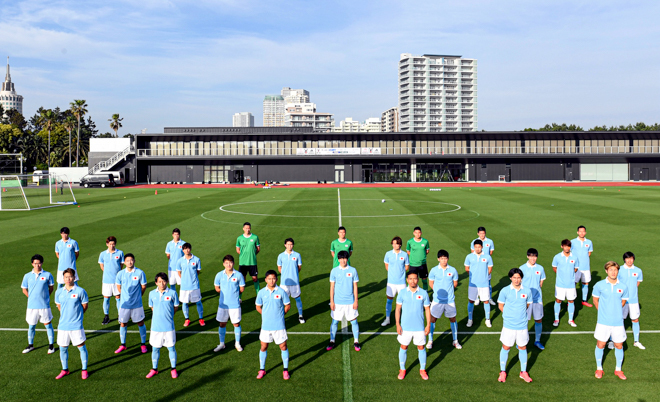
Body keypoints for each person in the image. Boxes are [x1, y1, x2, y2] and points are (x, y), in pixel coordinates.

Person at [593, 261, 629, 380]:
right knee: (601, 344)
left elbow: (623, 302)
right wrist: (603, 312)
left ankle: (618, 369)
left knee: (619, 345)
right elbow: (595, 300)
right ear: (606, 271)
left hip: (618, 322)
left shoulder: (623, 287)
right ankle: (599, 368)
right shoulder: (599, 285)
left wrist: (615, 311)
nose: (613, 272)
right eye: (611, 270)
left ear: (618, 271)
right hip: (603, 322)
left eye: (615, 270)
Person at [497, 268, 533, 383]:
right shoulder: (504, 291)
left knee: (522, 347)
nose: (516, 280)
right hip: (508, 326)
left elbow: (527, 305)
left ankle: (523, 372)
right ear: (510, 278)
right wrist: (509, 316)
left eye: (518, 277)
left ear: (521, 278)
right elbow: (500, 306)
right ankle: (502, 371)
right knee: (506, 347)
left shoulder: (527, 291)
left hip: (522, 326)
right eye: (514, 277)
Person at [255, 270, 291, 380]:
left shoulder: (281, 292)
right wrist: (265, 315)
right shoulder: (261, 292)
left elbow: (287, 305)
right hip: (266, 326)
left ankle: (285, 370)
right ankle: (262, 369)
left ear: (277, 279)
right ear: (265, 279)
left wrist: (281, 315)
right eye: (269, 278)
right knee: (263, 346)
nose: (272, 280)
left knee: (283, 346)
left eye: (274, 278)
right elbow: (258, 306)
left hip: (279, 326)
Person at [395, 271, 431, 380]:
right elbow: (398, 309)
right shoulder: (402, 293)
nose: (412, 281)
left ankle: (422, 369)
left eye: (414, 278)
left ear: (418, 279)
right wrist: (397, 324)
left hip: (419, 327)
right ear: (407, 280)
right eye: (410, 279)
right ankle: (402, 369)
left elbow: (427, 310)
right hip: (405, 327)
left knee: (421, 347)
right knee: (403, 346)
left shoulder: (424, 293)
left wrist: (428, 325)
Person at [54, 268, 89, 380]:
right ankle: (65, 369)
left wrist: (77, 316)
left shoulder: (80, 291)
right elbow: (59, 306)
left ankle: (84, 370)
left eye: (70, 277)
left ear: (74, 277)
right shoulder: (59, 292)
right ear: (63, 278)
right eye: (66, 277)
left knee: (81, 348)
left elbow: (85, 306)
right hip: (63, 326)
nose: (68, 279)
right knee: (63, 348)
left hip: (76, 325)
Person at [146, 272, 179, 379]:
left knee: (171, 348)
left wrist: (168, 316)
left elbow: (175, 307)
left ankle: (173, 369)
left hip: (169, 327)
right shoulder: (151, 294)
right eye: (159, 281)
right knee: (155, 349)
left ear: (167, 282)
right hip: (156, 328)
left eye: (164, 281)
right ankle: (154, 369)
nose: (162, 283)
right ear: (156, 283)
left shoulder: (173, 293)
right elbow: (152, 308)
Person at [21, 254, 56, 354]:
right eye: (35, 263)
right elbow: (24, 289)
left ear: (42, 263)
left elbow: (51, 288)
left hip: (44, 306)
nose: (37, 265)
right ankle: (30, 345)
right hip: (31, 306)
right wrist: (31, 297)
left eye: (39, 263)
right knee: (31, 326)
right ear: (32, 264)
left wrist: (45, 298)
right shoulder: (27, 276)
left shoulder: (48, 275)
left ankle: (51, 346)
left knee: (48, 325)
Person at [327, 250, 361, 352]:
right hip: (337, 302)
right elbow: (332, 287)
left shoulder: (353, 270)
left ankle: (356, 341)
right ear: (338, 259)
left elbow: (355, 286)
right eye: (341, 258)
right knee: (334, 322)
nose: (343, 260)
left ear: (347, 259)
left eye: (345, 258)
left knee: (354, 322)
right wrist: (332, 301)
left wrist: (356, 301)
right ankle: (332, 341)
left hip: (350, 302)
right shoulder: (334, 271)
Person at [427, 249, 461, 349]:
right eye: (442, 259)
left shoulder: (453, 270)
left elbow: (455, 283)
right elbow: (431, 283)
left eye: (445, 258)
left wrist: (449, 292)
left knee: (453, 319)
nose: (444, 260)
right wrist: (438, 292)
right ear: (438, 259)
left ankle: (455, 340)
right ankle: (430, 340)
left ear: (448, 259)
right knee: (433, 319)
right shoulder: (434, 270)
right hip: (437, 301)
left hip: (449, 300)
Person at [114, 253, 148, 354]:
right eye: (128, 260)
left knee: (140, 323)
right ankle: (123, 345)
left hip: (137, 304)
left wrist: (138, 296)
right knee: (123, 324)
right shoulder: (120, 274)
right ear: (124, 262)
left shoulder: (140, 273)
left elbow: (143, 286)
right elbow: (119, 287)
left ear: (134, 261)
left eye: (131, 260)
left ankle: (143, 344)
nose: (130, 262)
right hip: (124, 304)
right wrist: (125, 296)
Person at [214, 255, 246, 352]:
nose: (229, 264)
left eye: (230, 262)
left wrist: (233, 295)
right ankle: (221, 344)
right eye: (227, 263)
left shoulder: (238, 275)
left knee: (236, 324)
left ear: (234, 263)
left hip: (234, 305)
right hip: (223, 305)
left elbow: (242, 288)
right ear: (224, 264)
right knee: (222, 324)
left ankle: (237, 343)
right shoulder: (219, 275)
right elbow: (217, 288)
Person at [519, 248, 546, 349]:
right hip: (526, 300)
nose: (533, 258)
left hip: (537, 300)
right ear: (527, 256)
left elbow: (541, 282)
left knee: (538, 320)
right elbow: (519, 283)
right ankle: (522, 342)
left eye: (535, 256)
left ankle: (537, 341)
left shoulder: (540, 268)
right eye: (531, 256)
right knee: (524, 320)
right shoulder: (522, 268)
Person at [617, 252, 644, 349]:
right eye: (627, 258)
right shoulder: (619, 270)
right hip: (622, 300)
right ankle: (613, 341)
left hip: (633, 300)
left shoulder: (638, 270)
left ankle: (636, 341)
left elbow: (637, 283)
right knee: (619, 320)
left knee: (635, 319)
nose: (629, 260)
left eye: (631, 258)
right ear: (624, 259)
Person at [464, 239, 493, 327]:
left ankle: (487, 319)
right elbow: (467, 269)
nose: (477, 249)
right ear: (474, 247)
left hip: (484, 284)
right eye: (476, 247)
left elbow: (490, 269)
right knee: (471, 300)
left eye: (479, 247)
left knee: (486, 301)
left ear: (482, 247)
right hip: (473, 284)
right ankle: (470, 319)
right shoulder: (469, 257)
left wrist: (483, 276)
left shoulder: (487, 257)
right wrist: (474, 277)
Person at [381, 236, 409, 326]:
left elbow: (407, 267)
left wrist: (400, 273)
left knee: (403, 301)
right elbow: (386, 266)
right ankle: (387, 319)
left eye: (396, 243)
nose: (394, 245)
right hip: (391, 282)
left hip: (401, 283)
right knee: (389, 300)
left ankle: (404, 320)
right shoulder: (388, 254)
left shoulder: (404, 255)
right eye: (393, 243)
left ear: (400, 244)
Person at [277, 238, 305, 323]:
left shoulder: (297, 255)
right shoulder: (281, 256)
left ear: (293, 245)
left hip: (295, 283)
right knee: (282, 301)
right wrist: (285, 274)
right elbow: (279, 268)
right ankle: (280, 316)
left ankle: (300, 316)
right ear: (285, 245)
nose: (289, 246)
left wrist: (294, 274)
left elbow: (299, 267)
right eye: (288, 244)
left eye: (291, 244)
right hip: (284, 283)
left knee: (297, 299)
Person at [552, 239, 579, 327]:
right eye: (565, 246)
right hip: (560, 284)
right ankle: (556, 319)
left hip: (571, 284)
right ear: (562, 246)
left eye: (568, 246)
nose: (567, 248)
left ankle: (571, 320)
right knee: (558, 300)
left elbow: (576, 269)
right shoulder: (557, 257)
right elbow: (554, 267)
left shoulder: (574, 257)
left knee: (571, 301)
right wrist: (561, 275)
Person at [98, 236, 124, 325]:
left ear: (115, 244)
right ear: (107, 244)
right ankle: (106, 316)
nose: (111, 246)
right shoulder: (102, 254)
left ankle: (120, 315)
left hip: (117, 281)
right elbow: (102, 266)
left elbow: (121, 265)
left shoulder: (120, 253)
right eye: (110, 244)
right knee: (106, 298)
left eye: (113, 244)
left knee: (118, 298)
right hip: (106, 281)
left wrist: (116, 275)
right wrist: (108, 273)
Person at [177, 243, 204, 327]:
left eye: (188, 248)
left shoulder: (196, 259)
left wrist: (192, 278)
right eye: (185, 249)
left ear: (190, 249)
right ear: (183, 250)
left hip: (195, 286)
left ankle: (201, 318)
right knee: (184, 303)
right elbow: (179, 272)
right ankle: (187, 319)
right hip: (184, 286)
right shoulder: (180, 261)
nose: (186, 250)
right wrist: (184, 279)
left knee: (198, 302)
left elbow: (198, 271)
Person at [471, 227, 496, 305]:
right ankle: (476, 298)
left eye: (483, 233)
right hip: (477, 266)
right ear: (478, 233)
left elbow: (491, 252)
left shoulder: (490, 241)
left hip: (486, 265)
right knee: (476, 283)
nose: (482, 235)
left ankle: (489, 298)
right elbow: (473, 253)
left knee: (488, 283)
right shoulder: (474, 242)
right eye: (480, 233)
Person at [236, 222, 261, 296]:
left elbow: (258, 248)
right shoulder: (239, 238)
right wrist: (244, 255)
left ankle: (259, 295)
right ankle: (239, 297)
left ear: (250, 228)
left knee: (255, 279)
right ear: (243, 228)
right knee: (242, 280)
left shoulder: (255, 237)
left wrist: (252, 254)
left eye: (249, 228)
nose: (247, 230)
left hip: (252, 262)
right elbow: (238, 249)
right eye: (246, 228)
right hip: (243, 263)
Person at [571, 225, 594, 307]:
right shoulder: (572, 242)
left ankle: (584, 300)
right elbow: (569, 253)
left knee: (585, 283)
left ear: (585, 232)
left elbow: (589, 253)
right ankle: (570, 300)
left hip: (585, 267)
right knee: (573, 283)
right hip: (575, 267)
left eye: (583, 231)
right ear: (577, 232)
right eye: (580, 231)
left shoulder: (589, 242)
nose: (582, 233)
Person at [406, 227, 430, 291]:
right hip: (413, 264)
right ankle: (409, 294)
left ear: (421, 233)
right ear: (413, 233)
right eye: (416, 233)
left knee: (424, 280)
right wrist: (414, 257)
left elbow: (427, 250)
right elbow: (408, 251)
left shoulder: (425, 241)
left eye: (419, 233)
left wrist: (421, 256)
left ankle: (425, 294)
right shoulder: (410, 241)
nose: (417, 234)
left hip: (423, 264)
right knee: (411, 280)